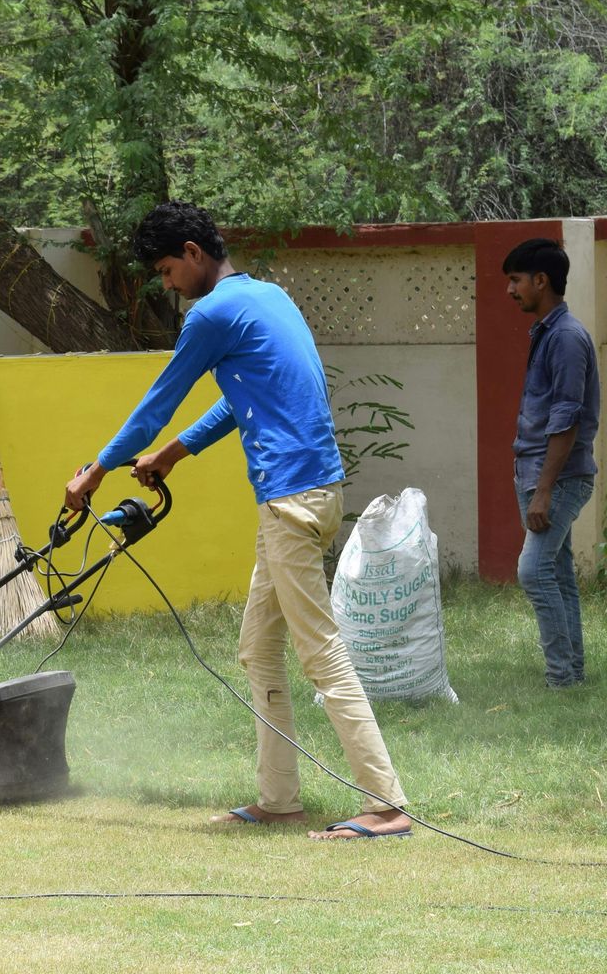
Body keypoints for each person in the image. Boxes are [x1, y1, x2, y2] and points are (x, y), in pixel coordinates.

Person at [64, 201, 412, 841]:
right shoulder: (267, 297)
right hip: (309, 494)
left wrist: (96, 471)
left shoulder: (212, 312)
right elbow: (241, 398)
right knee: (258, 649)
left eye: (168, 270)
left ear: (194, 253)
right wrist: (175, 453)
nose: (167, 286)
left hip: (289, 501)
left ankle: (386, 804)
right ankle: (279, 799)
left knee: (322, 653)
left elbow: (156, 402)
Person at [502, 237, 600, 688]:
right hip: (545, 475)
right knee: (557, 575)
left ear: (542, 281)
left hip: (558, 479)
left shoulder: (564, 337)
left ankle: (561, 678)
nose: (510, 289)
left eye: (516, 280)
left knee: (534, 571)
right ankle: (571, 676)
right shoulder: (549, 333)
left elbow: (566, 417)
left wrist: (542, 489)